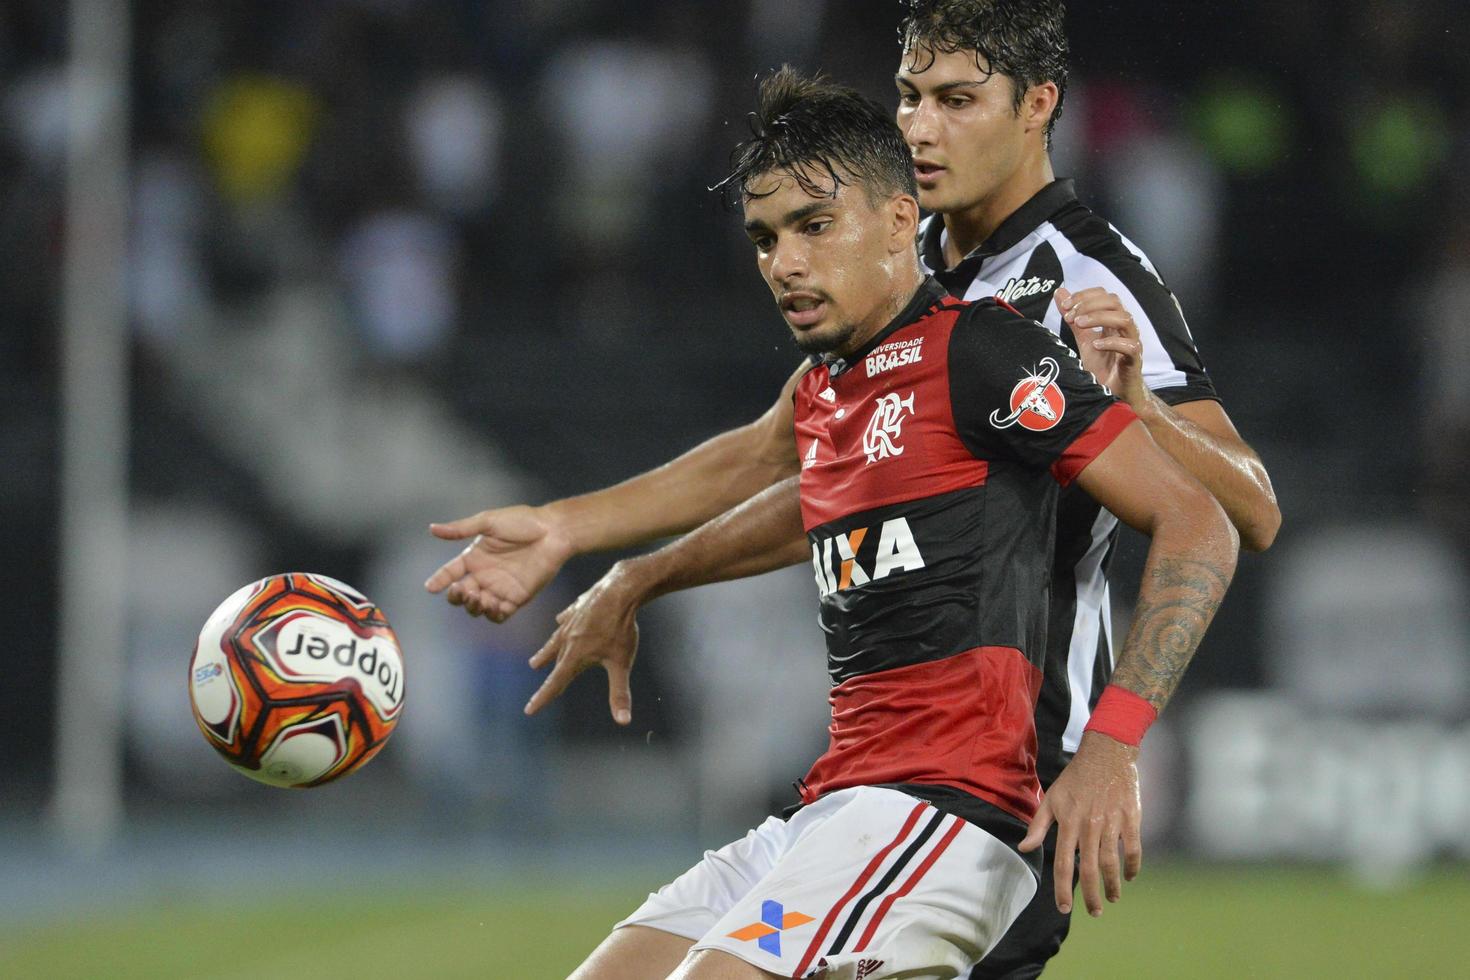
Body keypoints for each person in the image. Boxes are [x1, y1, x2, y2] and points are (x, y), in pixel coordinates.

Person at [426, 2, 1279, 975]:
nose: (921, 125)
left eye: (956, 100)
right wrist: (589, 545)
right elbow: (781, 464)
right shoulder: (872, 339)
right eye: (911, 97)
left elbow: (1228, 511)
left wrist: (1116, 741)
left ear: (1037, 106)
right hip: (846, 790)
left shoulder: (1061, 292)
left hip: (987, 783)